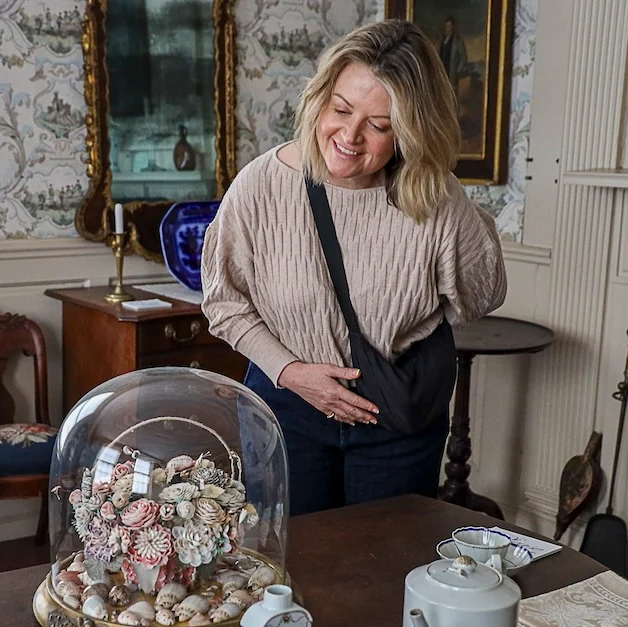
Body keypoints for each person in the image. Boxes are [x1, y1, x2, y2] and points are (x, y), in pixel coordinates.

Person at [200, 18, 506, 516]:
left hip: (396, 416)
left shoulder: (430, 195)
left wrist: (449, 195)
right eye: (341, 109)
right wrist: (292, 371)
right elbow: (223, 303)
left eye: (380, 125)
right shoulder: (261, 186)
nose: (350, 135)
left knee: (385, 569)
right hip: (286, 410)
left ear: (409, 133)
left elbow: (479, 297)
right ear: (320, 98)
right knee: (289, 572)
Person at [438, 16, 468, 95]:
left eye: (449, 26)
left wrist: (457, 71)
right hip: (443, 72)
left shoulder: (458, 41)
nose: (447, 29)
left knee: (452, 96)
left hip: (452, 73)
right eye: (446, 26)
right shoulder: (443, 40)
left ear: (453, 27)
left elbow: (463, 58)